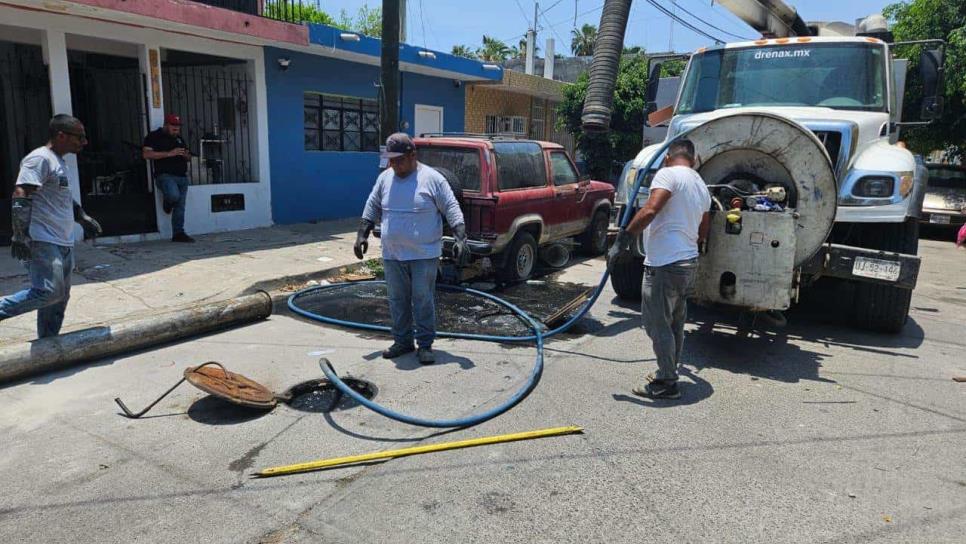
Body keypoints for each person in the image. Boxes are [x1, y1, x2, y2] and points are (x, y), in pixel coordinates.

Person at [608, 139, 711, 399]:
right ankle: (669, 370)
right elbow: (703, 230)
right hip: (688, 262)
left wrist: (624, 239)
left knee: (656, 322)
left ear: (667, 158)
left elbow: (651, 209)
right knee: (675, 321)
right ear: (694, 159)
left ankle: (666, 382)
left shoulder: (667, 174)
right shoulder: (700, 185)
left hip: (666, 263)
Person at [354, 133, 467, 365]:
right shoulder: (385, 178)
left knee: (422, 299)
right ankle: (403, 341)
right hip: (392, 253)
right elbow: (372, 205)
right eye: (391, 160)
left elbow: (452, 208)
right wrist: (361, 235)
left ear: (413, 155)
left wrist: (460, 238)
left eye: (398, 159)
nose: (393, 164)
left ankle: (425, 345)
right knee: (397, 299)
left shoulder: (432, 179)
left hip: (424, 255)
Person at [0, 114, 102, 338]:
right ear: (61, 135)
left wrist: (82, 217)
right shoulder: (40, 158)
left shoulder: (59, 162)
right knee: (48, 292)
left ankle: (49, 345)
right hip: (43, 240)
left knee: (59, 298)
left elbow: (62, 198)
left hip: (63, 240)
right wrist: (19, 235)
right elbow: (21, 192)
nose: (84, 142)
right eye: (80, 137)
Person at [143, 114, 194, 243]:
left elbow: (188, 157)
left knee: (180, 207)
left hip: (182, 177)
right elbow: (146, 154)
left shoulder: (179, 139)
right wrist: (169, 153)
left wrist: (186, 156)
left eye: (178, 127)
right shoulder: (154, 136)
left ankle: (178, 233)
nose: (176, 129)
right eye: (173, 126)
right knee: (173, 196)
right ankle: (168, 200)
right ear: (166, 125)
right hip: (165, 176)